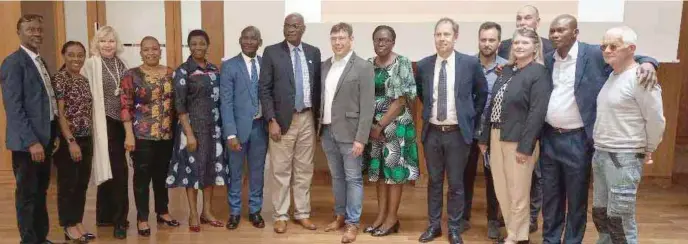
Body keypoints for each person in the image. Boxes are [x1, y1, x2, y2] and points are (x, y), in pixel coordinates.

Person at [541, 14, 658, 244]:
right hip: (549, 138)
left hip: (578, 139)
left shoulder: (594, 53)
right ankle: (550, 240)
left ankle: (573, 241)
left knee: (577, 200)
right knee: (551, 198)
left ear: (575, 33)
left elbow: (632, 55)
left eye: (561, 30)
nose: (555, 34)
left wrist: (649, 63)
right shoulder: (548, 59)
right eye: (552, 30)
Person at [416, 17, 488, 244]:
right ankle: (434, 225)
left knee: (456, 184)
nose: (442, 39)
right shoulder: (425, 64)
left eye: (447, 34)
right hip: (433, 133)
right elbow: (422, 93)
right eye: (438, 34)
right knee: (434, 182)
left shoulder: (469, 63)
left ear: (455, 37)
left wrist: (469, 116)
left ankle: (454, 228)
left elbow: (482, 93)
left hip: (458, 133)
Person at [592, 26, 665, 244]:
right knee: (601, 215)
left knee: (620, 221)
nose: (606, 50)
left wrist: (648, 148)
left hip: (624, 157)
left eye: (613, 46)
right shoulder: (613, 75)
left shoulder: (641, 78)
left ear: (631, 49)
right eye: (603, 45)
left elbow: (656, 120)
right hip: (602, 154)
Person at [478, 28, 552, 244]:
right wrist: (484, 139)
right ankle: (516, 232)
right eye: (517, 43)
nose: (519, 47)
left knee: (518, 191)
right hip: (496, 135)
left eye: (525, 43)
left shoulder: (539, 73)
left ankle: (516, 236)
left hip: (519, 141)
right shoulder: (508, 70)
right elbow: (492, 105)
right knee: (501, 189)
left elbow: (536, 113)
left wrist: (526, 146)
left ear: (535, 47)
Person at [258, 12, 322, 233]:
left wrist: (318, 122)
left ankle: (302, 213)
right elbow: (264, 90)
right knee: (281, 170)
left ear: (303, 28)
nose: (290, 29)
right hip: (282, 121)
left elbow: (318, 90)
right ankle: (281, 214)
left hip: (307, 118)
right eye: (287, 25)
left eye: (295, 26)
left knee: (304, 169)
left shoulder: (313, 52)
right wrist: (271, 119)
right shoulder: (272, 52)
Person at [0, 14, 57, 244]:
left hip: (45, 139)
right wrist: (32, 141)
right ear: (19, 32)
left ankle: (40, 238)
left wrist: (52, 136)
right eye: (31, 30)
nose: (36, 34)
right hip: (28, 144)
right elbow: (14, 108)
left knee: (41, 193)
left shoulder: (40, 61)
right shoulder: (13, 62)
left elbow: (46, 102)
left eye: (39, 30)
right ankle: (29, 240)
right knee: (27, 195)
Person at [165, 29, 226, 232]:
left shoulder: (214, 69)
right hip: (191, 130)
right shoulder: (182, 71)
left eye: (202, 43)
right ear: (188, 46)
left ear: (207, 45)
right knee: (191, 172)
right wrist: (189, 133)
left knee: (210, 169)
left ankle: (206, 211)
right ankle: (193, 212)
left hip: (213, 129)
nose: (198, 47)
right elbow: (180, 105)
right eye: (194, 44)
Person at [319, 22, 375, 243]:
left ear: (351, 39)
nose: (337, 42)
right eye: (334, 38)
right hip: (327, 131)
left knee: (353, 179)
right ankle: (340, 215)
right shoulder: (325, 66)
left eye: (342, 38)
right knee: (337, 177)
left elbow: (367, 107)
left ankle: (353, 224)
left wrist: (361, 138)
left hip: (351, 134)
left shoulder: (363, 67)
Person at [362, 25, 419, 237]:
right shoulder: (368, 64)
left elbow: (401, 101)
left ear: (393, 42)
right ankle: (381, 216)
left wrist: (380, 125)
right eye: (377, 39)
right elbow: (363, 97)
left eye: (385, 40)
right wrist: (371, 126)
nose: (381, 43)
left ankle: (392, 218)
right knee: (379, 174)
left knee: (394, 174)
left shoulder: (402, 62)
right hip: (374, 128)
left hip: (396, 126)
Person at [498, 7, 552, 231]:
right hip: (510, 123)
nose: (522, 22)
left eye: (527, 17)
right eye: (518, 18)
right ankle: (511, 220)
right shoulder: (506, 47)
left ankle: (530, 220)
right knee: (509, 181)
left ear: (538, 21)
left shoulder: (550, 47)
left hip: (539, 123)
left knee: (534, 177)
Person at [120, 36, 179, 237]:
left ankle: (162, 211)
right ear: (141, 52)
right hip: (141, 136)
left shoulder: (171, 73)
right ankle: (142, 218)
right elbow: (125, 106)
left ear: (160, 50)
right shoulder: (132, 75)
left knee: (162, 176)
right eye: (146, 49)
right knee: (142, 178)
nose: (151, 52)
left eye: (155, 49)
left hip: (166, 135)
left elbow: (177, 103)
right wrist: (129, 135)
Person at [81, 25, 130, 239]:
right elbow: (83, 93)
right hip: (103, 123)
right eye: (103, 41)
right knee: (111, 168)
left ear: (116, 43)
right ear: (96, 44)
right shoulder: (91, 64)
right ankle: (112, 218)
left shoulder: (122, 63)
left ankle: (114, 217)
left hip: (122, 123)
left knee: (117, 170)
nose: (107, 45)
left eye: (111, 41)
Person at [461, 21, 508, 239]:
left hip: (496, 130)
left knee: (494, 178)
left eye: (491, 40)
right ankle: (463, 217)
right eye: (483, 39)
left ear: (499, 42)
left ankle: (492, 220)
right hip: (469, 128)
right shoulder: (467, 64)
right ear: (478, 40)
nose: (487, 44)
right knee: (465, 175)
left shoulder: (508, 67)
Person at [220, 26, 268, 230]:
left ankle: (255, 210)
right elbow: (226, 102)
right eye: (245, 38)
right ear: (240, 40)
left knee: (257, 172)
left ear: (260, 42)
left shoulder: (265, 64)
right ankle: (234, 212)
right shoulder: (230, 66)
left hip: (260, 128)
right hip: (237, 130)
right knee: (236, 172)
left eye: (253, 38)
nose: (249, 41)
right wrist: (230, 133)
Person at [52, 41, 94, 242]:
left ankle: (77, 221)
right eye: (71, 55)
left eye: (80, 55)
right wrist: (70, 141)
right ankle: (68, 225)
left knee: (81, 184)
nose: (76, 59)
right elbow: (60, 114)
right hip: (70, 140)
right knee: (68, 184)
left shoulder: (84, 80)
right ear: (63, 55)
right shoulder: (60, 79)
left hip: (87, 138)